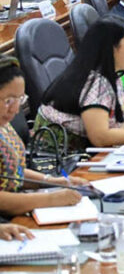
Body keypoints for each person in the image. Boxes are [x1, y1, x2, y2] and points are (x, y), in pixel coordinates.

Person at [33, 16, 124, 153]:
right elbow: (100, 138)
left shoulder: (112, 75)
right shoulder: (95, 83)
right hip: (59, 159)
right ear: (111, 48)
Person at [0, 57, 85, 215]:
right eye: (8, 101)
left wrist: (52, 182)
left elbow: (14, 172)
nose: (15, 109)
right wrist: (51, 199)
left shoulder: (3, 125)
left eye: (20, 99)